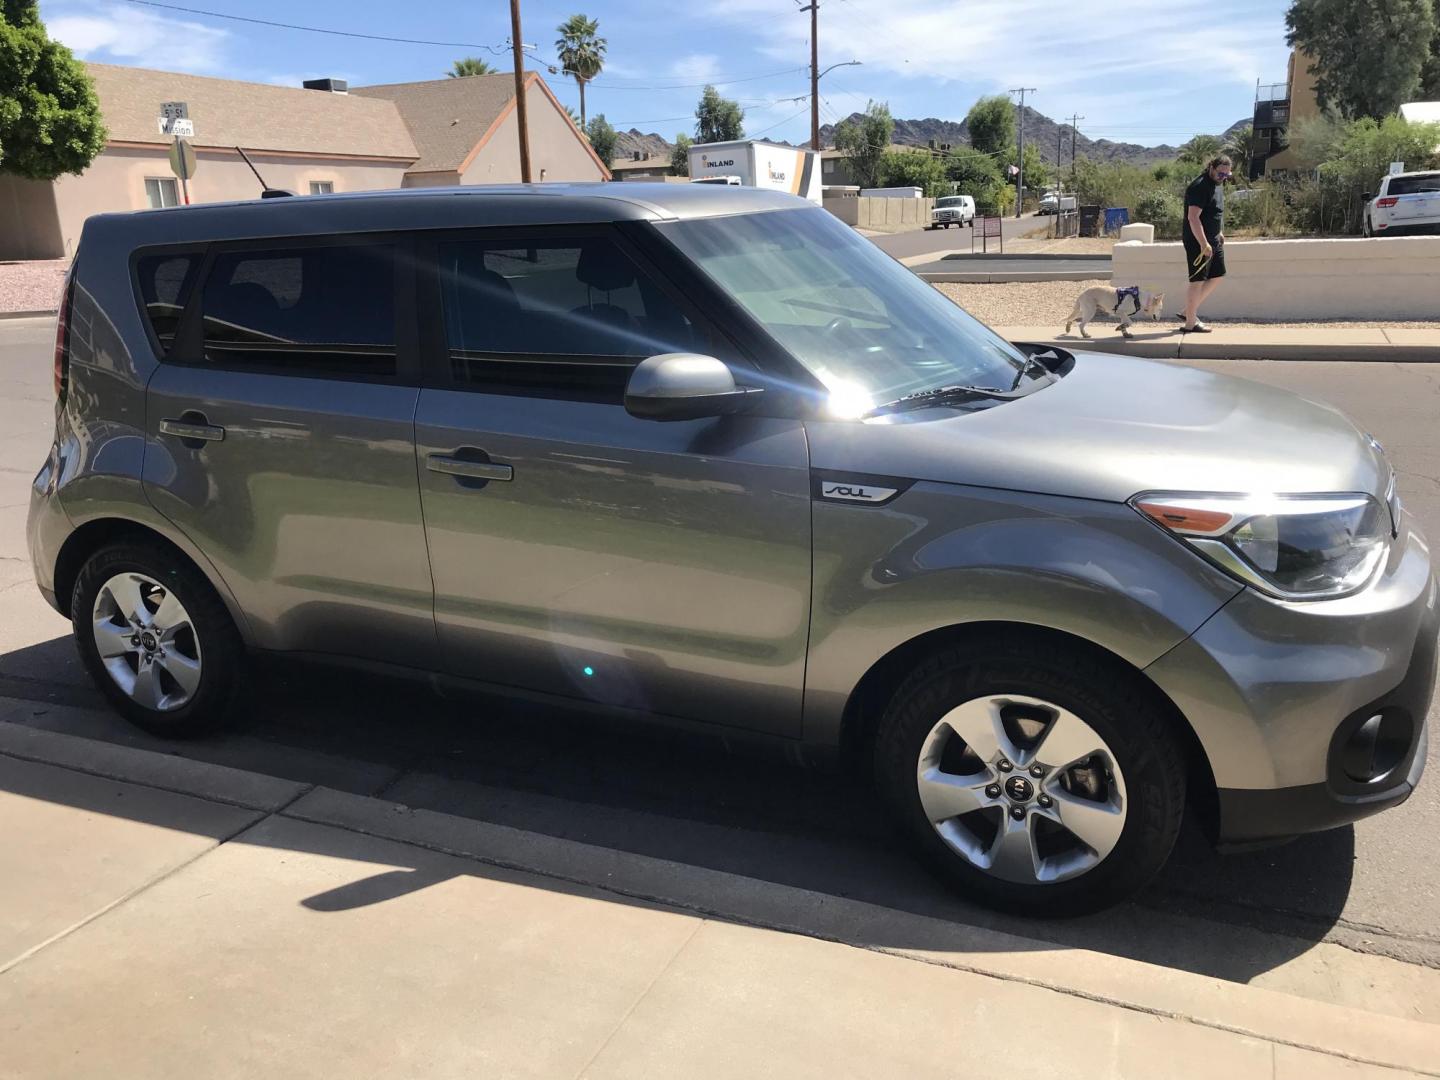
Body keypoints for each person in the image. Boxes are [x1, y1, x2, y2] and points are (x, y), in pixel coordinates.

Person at [1180, 154, 1232, 333]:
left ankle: (1189, 311)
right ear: (1211, 167)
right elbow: (1193, 217)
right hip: (1198, 241)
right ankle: (1190, 323)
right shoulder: (1200, 186)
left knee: (1217, 275)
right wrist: (1203, 243)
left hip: (1213, 239)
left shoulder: (1217, 186)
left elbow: (1213, 213)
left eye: (1226, 175)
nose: (1222, 178)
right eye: (1220, 174)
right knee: (1197, 281)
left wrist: (1219, 232)